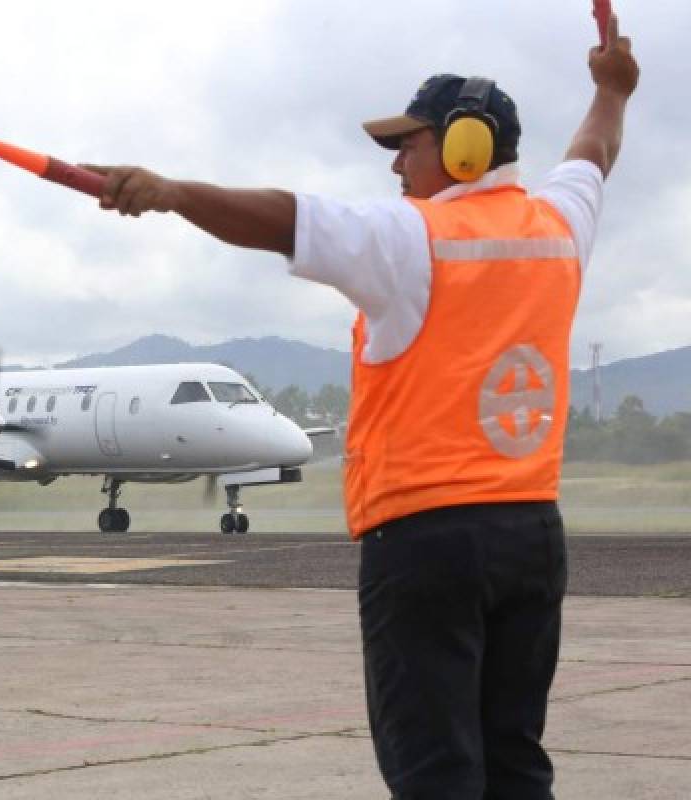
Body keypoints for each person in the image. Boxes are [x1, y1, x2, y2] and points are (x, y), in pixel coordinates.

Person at [88, 14, 639, 800]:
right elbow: (596, 152)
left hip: (425, 542)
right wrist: (613, 88)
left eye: (406, 146)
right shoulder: (559, 227)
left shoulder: (411, 238)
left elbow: (287, 218)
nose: (395, 167)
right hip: (532, 537)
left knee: (435, 771)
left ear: (463, 149)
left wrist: (174, 193)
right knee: (515, 761)